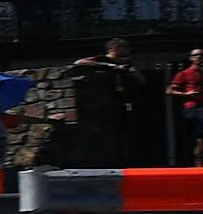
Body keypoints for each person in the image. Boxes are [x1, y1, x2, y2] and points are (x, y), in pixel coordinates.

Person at [61, 38, 142, 169]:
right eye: (124, 46)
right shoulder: (103, 59)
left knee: (125, 134)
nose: (128, 49)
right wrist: (110, 66)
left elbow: (141, 81)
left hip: (124, 101)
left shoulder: (127, 63)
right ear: (113, 48)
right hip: (106, 103)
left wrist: (132, 72)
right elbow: (80, 62)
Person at [166, 49, 203, 164]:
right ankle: (202, 162)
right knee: (200, 138)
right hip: (193, 107)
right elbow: (170, 90)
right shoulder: (184, 74)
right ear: (191, 58)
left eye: (202, 55)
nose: (199, 57)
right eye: (196, 55)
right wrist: (186, 94)